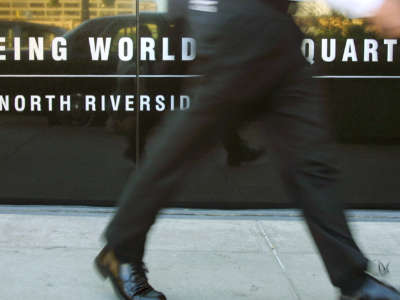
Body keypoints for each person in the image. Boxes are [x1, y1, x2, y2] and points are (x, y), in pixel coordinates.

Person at [94, 0, 400, 299]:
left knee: (311, 164)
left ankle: (353, 280)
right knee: (181, 150)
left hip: (276, 30)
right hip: (238, 25)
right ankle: (120, 249)